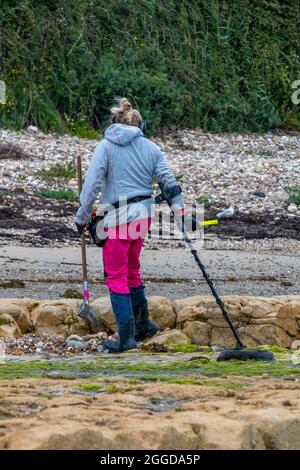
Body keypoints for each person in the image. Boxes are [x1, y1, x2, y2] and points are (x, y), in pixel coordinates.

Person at [75, 98, 184, 352]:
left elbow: (91, 185)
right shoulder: (151, 148)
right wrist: (179, 207)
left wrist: (82, 216)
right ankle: (143, 324)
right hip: (142, 219)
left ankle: (126, 339)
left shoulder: (106, 147)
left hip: (117, 220)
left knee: (116, 277)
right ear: (140, 125)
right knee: (132, 270)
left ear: (115, 123)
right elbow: (169, 180)